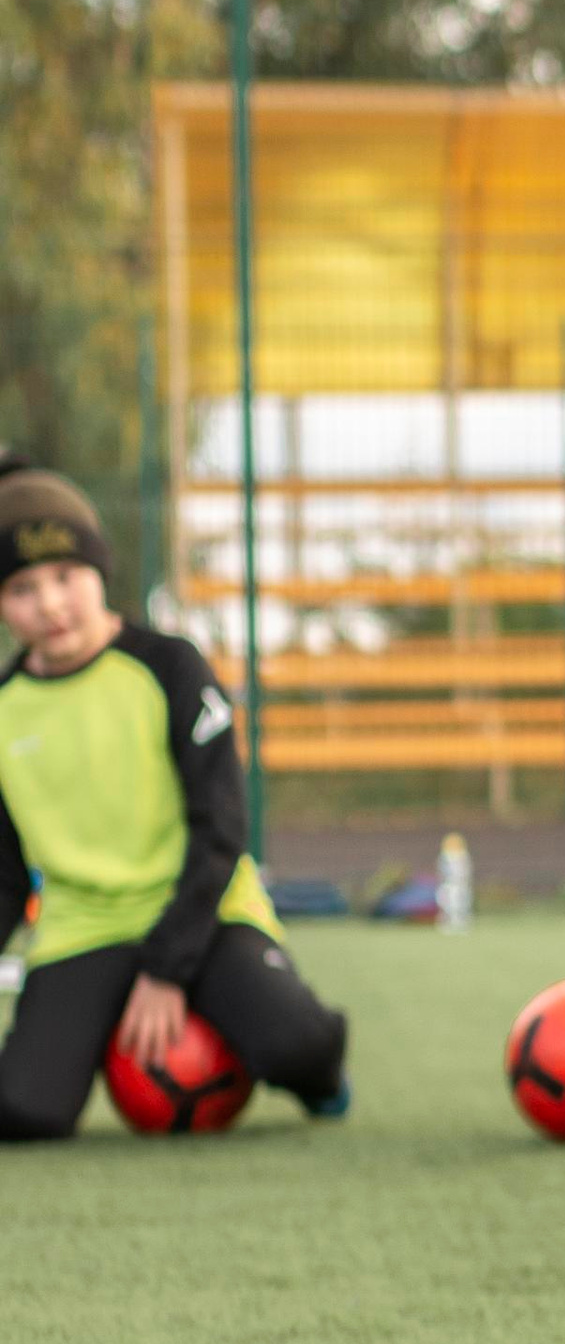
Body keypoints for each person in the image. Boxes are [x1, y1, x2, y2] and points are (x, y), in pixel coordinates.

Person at [0, 461, 348, 1140]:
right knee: (23, 1113)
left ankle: (322, 1072)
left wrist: (166, 968)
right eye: (21, 587)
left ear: (100, 571)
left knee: (295, 1046)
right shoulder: (5, 708)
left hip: (202, 909)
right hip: (85, 930)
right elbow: (6, 875)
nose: (49, 604)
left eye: (66, 576)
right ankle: (88, 1032)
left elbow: (221, 829)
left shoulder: (169, 667)